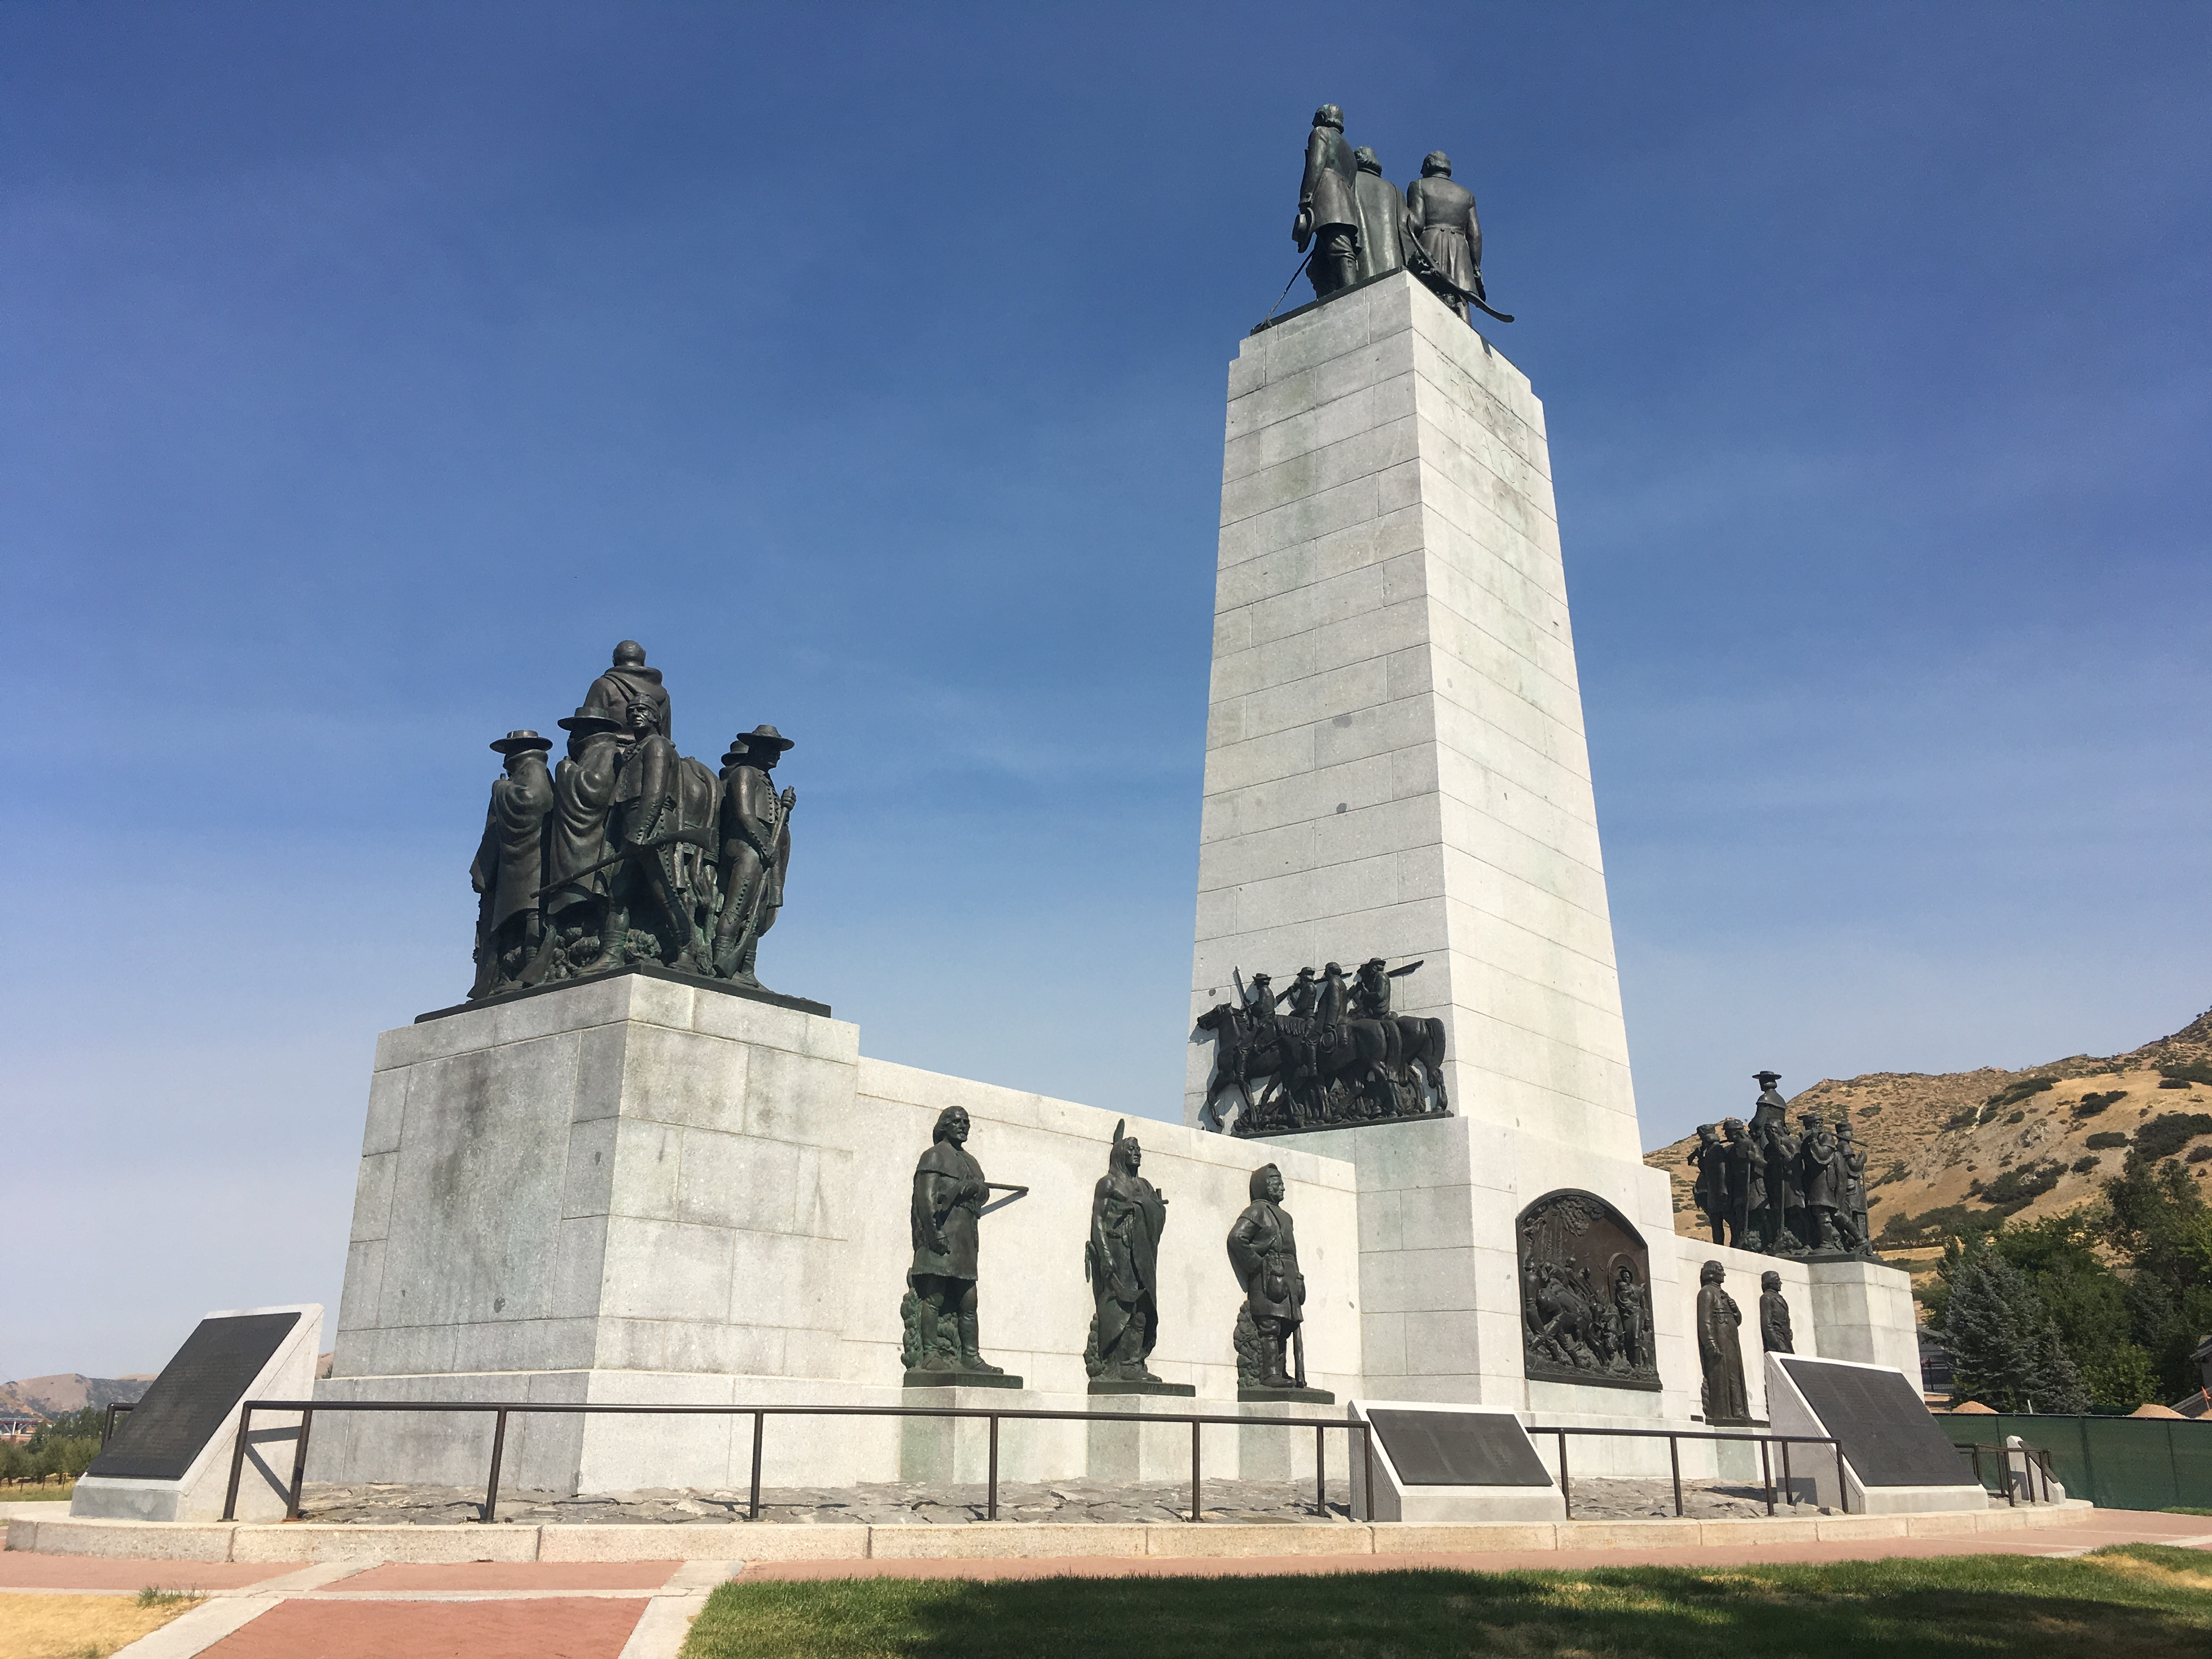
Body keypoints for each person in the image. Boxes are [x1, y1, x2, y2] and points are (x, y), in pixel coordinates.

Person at [904, 1107, 1008, 1379]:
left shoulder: (971, 1162)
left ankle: (971, 1356)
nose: (964, 1126)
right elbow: (924, 1199)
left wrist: (968, 1188)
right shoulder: (935, 1156)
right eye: (957, 1122)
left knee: (968, 1300)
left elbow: (982, 1192)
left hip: (965, 1240)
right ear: (945, 1126)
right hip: (941, 1236)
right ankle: (930, 1354)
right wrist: (934, 1234)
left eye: (967, 1122)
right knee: (935, 1295)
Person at [469, 731, 556, 998]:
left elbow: (534, 800)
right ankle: (515, 970)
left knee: (531, 911)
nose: (505, 760)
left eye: (508, 752)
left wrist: (501, 789)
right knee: (522, 913)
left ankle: (531, 969)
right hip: (516, 860)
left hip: (532, 857)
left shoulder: (534, 768)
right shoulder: (524, 772)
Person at [543, 706, 628, 972]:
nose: (569, 739)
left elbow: (596, 789)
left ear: (587, 732)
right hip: (577, 838)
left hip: (594, 839)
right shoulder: (590, 754)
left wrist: (566, 772)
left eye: (573, 732)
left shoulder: (606, 752)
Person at [712, 725, 796, 987]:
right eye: (771, 749)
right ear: (756, 748)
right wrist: (764, 846)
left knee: (757, 914)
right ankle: (722, 960)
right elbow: (745, 815)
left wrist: (787, 810)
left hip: (762, 851)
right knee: (737, 908)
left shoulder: (767, 781)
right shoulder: (744, 774)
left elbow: (774, 822)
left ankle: (747, 970)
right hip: (745, 849)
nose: (776, 755)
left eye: (778, 751)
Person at [1085, 1121, 1169, 1383]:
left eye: (1139, 1149)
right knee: (1123, 1306)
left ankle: (1134, 1361)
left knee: (1144, 1307)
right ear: (1120, 1153)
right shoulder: (1108, 1184)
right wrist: (1106, 1257)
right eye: (1132, 1149)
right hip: (1118, 1250)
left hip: (1142, 1254)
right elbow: (1097, 1221)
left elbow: (1157, 1213)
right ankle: (1120, 1363)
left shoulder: (1144, 1185)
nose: (1137, 1153)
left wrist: (1151, 1207)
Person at [1228, 1164, 1307, 1389]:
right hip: (1270, 1274)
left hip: (1288, 1276)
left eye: (1281, 1181)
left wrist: (1298, 1280)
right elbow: (1237, 1238)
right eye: (1276, 1181)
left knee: (1285, 1326)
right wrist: (1257, 1265)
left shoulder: (1286, 1217)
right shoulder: (1257, 1211)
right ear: (1264, 1185)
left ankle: (1281, 1371)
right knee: (1270, 1325)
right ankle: (1270, 1373)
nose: (1282, 1186)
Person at [1403, 151, 1483, 320]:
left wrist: (1401, 215)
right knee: (1461, 299)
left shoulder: (1418, 186)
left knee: (1429, 291)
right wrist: (1476, 267)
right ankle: (1466, 337)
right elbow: (1475, 235)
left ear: (1428, 166)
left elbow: (1416, 222)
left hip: (1430, 244)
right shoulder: (1466, 195)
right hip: (1461, 251)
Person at [1294, 104, 1361, 298]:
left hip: (1328, 199)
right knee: (1318, 268)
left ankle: (1351, 295)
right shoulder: (1349, 151)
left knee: (1340, 249)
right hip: (1346, 204)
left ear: (1322, 117)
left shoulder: (1320, 133)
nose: (1313, 122)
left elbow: (1316, 164)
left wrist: (1306, 197)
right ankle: (1328, 302)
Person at [579, 640, 671, 740]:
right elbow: (665, 736)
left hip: (613, 750)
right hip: (653, 749)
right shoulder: (663, 694)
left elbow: (587, 727)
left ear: (614, 661)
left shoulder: (604, 685)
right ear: (643, 662)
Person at [1696, 1260, 1751, 1424]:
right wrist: (1710, 1344)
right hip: (1720, 1340)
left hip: (1731, 1339)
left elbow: (1738, 1320)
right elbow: (1705, 1321)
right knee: (1722, 1376)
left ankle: (1739, 1411)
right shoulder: (1706, 1293)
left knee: (1735, 1375)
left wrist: (1735, 1310)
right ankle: (1725, 1413)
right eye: (1720, 1271)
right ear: (1712, 1272)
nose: (1724, 1274)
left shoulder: (1724, 1294)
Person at [1351, 146, 1409, 281]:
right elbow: (1407, 228)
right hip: (1393, 264)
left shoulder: (1351, 181)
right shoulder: (1395, 190)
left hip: (1362, 256)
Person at [1721, 1118, 1764, 1250]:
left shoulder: (1750, 1145)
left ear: (1735, 1133)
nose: (1726, 1135)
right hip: (1739, 1187)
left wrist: (1754, 1159)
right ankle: (1742, 1241)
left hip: (1752, 1186)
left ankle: (1758, 1242)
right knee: (1740, 1217)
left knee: (1755, 1216)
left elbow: (1764, 1165)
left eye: (1727, 1133)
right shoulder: (1732, 1150)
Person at [1688, 1124, 1727, 1244]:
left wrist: (1722, 1188)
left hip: (1716, 1190)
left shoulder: (1716, 1149)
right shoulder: (1708, 1151)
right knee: (1715, 1221)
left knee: (1720, 1220)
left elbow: (1721, 1169)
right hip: (1712, 1190)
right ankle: (1718, 1244)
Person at [1614, 1264, 1651, 1371]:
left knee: (1636, 1337)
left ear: (1631, 1277)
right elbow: (1619, 1302)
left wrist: (1647, 1319)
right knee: (1629, 1338)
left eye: (1628, 1277)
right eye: (1624, 1277)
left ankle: (1637, 1363)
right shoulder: (1621, 1290)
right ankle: (1630, 1361)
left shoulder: (1638, 1290)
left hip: (1637, 1314)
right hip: (1627, 1316)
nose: (1626, 1279)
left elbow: (1643, 1306)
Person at [1759, 1270, 1795, 1353]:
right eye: (1778, 1281)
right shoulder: (1766, 1298)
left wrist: (1789, 1331)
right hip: (1777, 1341)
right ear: (1771, 1283)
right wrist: (1777, 1343)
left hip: (1785, 1338)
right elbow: (1766, 1324)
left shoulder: (1778, 1297)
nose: (1781, 1283)